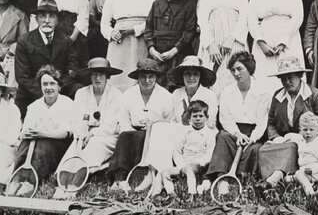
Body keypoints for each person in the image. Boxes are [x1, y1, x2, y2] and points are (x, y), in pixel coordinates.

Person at [51, 57, 124, 198]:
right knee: (75, 149)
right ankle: (62, 186)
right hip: (83, 135)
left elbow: (112, 124)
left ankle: (73, 187)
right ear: (89, 76)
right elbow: (76, 120)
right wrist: (81, 134)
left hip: (106, 137)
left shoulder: (116, 95)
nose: (97, 78)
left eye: (101, 74)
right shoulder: (81, 93)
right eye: (94, 74)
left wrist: (93, 134)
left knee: (94, 146)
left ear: (107, 76)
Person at [200, 52, 271, 193]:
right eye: (233, 70)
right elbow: (225, 119)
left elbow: (262, 121)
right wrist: (237, 134)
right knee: (223, 137)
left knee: (255, 150)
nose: (236, 73)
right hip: (233, 132)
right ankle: (221, 179)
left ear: (249, 69)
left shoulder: (263, 92)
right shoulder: (227, 91)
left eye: (240, 69)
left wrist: (252, 139)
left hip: (253, 134)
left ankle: (239, 177)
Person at [107, 59, 177, 193]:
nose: (147, 80)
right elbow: (123, 121)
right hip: (132, 133)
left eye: (151, 77)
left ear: (156, 78)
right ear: (137, 78)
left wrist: (155, 125)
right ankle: (119, 179)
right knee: (125, 136)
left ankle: (147, 176)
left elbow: (170, 122)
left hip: (157, 135)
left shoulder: (166, 96)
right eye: (143, 77)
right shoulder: (128, 95)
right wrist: (133, 130)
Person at [6, 65, 78, 197]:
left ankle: (31, 182)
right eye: (45, 84)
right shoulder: (34, 106)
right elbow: (23, 132)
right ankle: (16, 179)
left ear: (59, 86)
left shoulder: (68, 104)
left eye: (52, 83)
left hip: (58, 148)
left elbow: (67, 133)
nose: (48, 88)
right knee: (25, 143)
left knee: (43, 144)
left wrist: (43, 134)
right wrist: (26, 134)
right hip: (35, 146)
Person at [260, 55, 318, 183]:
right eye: (283, 79)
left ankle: (277, 176)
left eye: (291, 78)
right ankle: (273, 175)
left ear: (300, 76)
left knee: (293, 147)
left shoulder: (315, 95)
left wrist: (305, 136)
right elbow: (271, 123)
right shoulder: (278, 96)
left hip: (311, 142)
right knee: (265, 149)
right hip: (285, 141)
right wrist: (277, 138)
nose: (287, 82)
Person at [196, 0, 250, 96]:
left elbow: (244, 15)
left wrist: (231, 40)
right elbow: (202, 18)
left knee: (234, 76)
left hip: (234, 40)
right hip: (212, 39)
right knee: (211, 79)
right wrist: (210, 44)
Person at [248, 0, 304, 85]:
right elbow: (251, 18)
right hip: (264, 39)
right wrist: (261, 42)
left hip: (288, 39)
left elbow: (298, 16)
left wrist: (283, 42)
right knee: (264, 79)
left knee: (288, 76)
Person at [14, 0, 78, 114]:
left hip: (60, 91)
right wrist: (45, 93)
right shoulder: (24, 41)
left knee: (77, 89)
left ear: (57, 20)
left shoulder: (65, 41)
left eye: (52, 16)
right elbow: (22, 77)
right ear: (37, 19)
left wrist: (56, 91)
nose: (47, 21)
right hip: (32, 93)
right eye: (43, 16)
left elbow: (72, 70)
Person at [100, 0, 155, 91]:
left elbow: (153, 21)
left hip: (140, 39)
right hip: (119, 42)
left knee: (139, 72)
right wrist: (112, 33)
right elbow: (104, 24)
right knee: (118, 76)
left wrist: (135, 29)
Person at [144, 0, 197, 88]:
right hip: (158, 53)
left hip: (178, 52)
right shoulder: (157, 4)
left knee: (175, 84)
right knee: (156, 84)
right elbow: (148, 28)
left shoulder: (188, 5)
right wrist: (152, 49)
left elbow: (189, 31)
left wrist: (174, 50)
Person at [260, 112, 318, 196]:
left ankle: (310, 193)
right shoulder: (301, 140)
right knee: (286, 179)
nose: (308, 132)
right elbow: (289, 136)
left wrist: (312, 169)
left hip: (316, 173)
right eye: (305, 130)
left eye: (311, 130)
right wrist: (280, 139)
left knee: (298, 174)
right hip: (303, 173)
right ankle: (270, 185)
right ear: (300, 131)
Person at [157, 100, 218, 197]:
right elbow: (177, 152)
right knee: (165, 171)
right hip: (184, 164)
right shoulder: (184, 132)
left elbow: (209, 153)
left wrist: (200, 163)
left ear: (207, 118)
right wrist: (181, 166)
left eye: (201, 116)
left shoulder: (209, 134)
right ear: (189, 118)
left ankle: (192, 193)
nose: (198, 119)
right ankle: (170, 191)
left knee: (191, 172)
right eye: (194, 116)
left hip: (200, 165)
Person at [170, 56, 218, 129]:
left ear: (200, 76)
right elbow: (173, 120)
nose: (191, 77)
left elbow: (210, 123)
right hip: (179, 133)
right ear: (182, 76)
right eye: (187, 73)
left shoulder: (210, 96)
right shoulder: (177, 94)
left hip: (203, 134)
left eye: (195, 74)